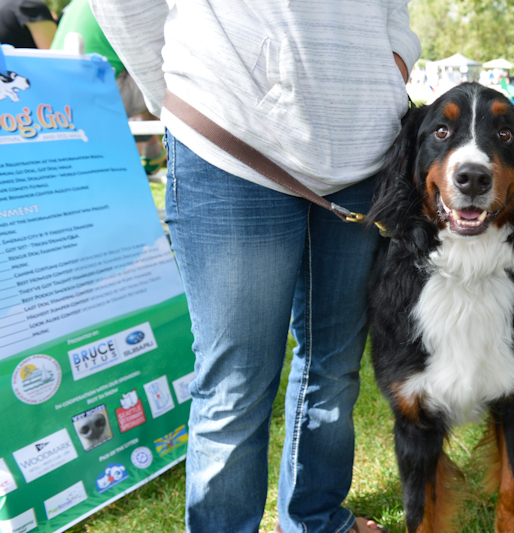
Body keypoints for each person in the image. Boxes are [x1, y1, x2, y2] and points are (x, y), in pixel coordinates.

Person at [91, 1, 421, 532]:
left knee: (335, 368)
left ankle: (315, 519)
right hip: (229, 144)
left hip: (364, 157)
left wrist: (390, 67)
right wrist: (178, 90)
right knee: (236, 385)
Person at [50, 0, 164, 174]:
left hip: (58, 94)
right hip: (97, 93)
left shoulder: (76, 4)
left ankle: (150, 145)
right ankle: (152, 148)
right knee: (162, 66)